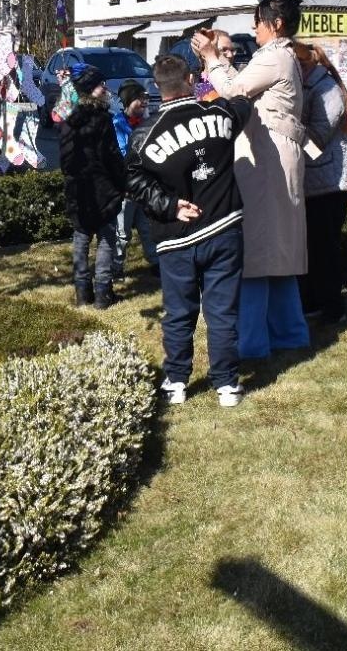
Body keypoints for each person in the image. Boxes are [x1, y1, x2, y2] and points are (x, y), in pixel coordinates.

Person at [127, 54, 252, 408]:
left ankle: (177, 381)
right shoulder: (220, 113)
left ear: (156, 87)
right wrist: (213, 71)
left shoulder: (144, 134)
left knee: (179, 312)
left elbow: (132, 180)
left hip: (176, 236)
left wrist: (170, 206)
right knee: (222, 312)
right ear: (191, 80)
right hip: (224, 228)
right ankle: (226, 384)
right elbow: (243, 102)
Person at [195, 0, 310, 361]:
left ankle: (253, 342)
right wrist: (215, 62)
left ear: (276, 24)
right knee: (276, 249)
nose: (253, 28)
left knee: (258, 249)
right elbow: (236, 88)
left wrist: (212, 59)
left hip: (267, 157)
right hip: (271, 153)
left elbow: (233, 92)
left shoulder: (274, 56)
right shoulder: (280, 56)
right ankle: (288, 333)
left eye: (258, 21)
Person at [293, 41, 347, 324]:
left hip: (330, 181)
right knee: (313, 245)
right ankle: (314, 301)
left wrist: (289, 129)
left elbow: (317, 140)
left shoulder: (327, 89)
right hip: (317, 179)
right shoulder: (307, 86)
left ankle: (332, 306)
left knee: (324, 246)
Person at [61, 63, 126, 308]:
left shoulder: (68, 119)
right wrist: (122, 183)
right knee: (106, 238)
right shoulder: (102, 119)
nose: (105, 88)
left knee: (81, 236)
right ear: (90, 88)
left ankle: (82, 291)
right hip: (101, 187)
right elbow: (112, 156)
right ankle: (102, 292)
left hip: (78, 188)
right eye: (101, 84)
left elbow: (65, 158)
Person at [112, 80, 159, 281]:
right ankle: (115, 267)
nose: (145, 102)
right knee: (122, 232)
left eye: (146, 98)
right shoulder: (117, 124)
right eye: (140, 99)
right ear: (129, 101)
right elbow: (124, 154)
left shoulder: (147, 122)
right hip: (127, 188)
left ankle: (155, 262)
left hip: (145, 185)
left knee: (147, 228)